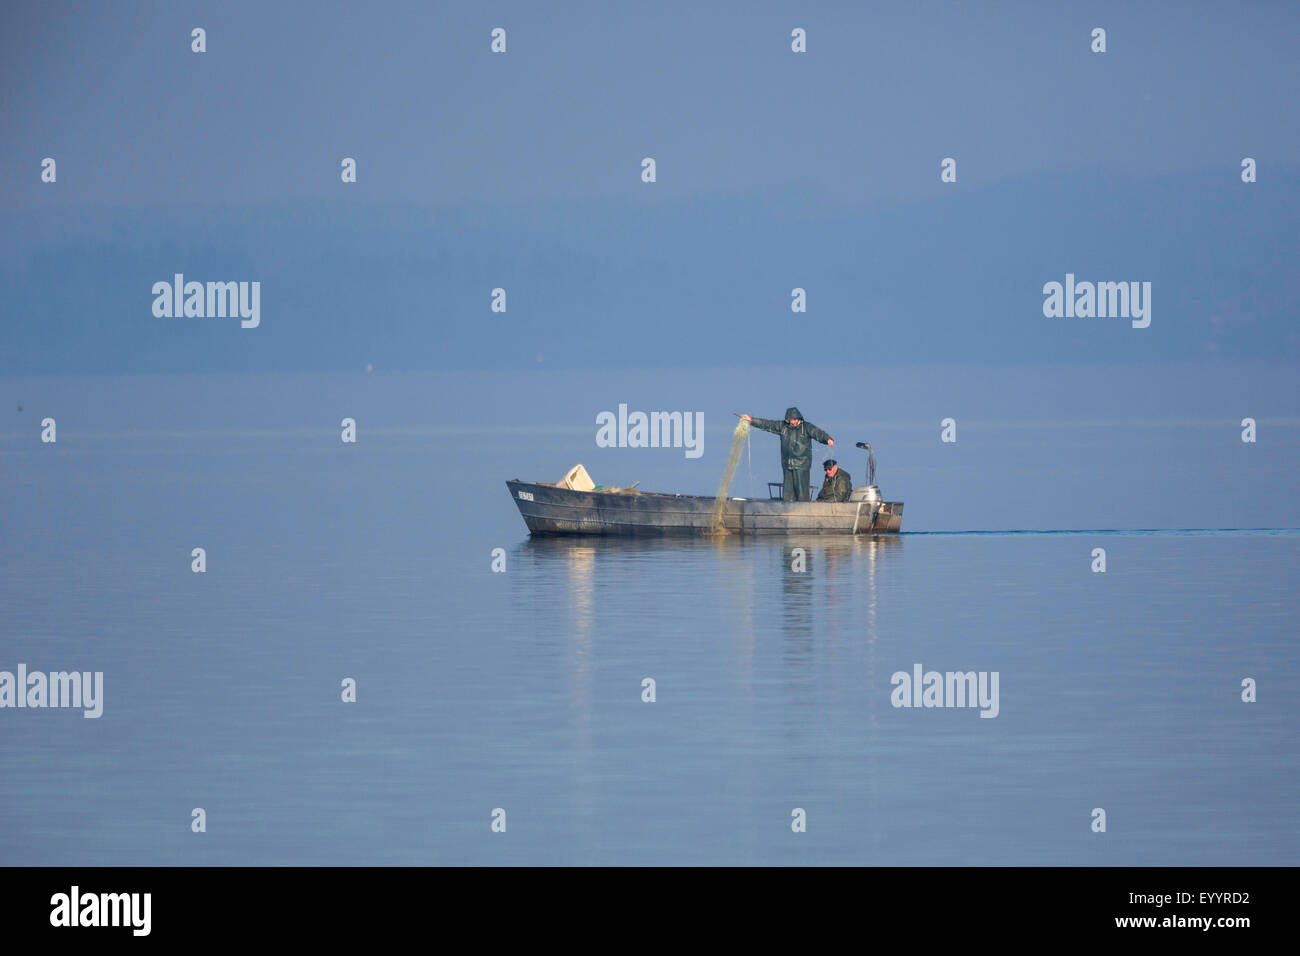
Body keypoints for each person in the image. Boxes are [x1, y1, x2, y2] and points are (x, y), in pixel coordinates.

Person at [740, 407, 834, 502]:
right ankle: (787, 509)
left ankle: (803, 508)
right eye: (791, 420)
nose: (793, 422)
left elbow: (817, 433)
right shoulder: (783, 426)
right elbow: (768, 424)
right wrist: (752, 420)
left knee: (801, 492)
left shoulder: (806, 427)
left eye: (794, 419)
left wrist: (827, 439)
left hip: (802, 464)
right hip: (787, 464)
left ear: (798, 418)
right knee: (788, 493)